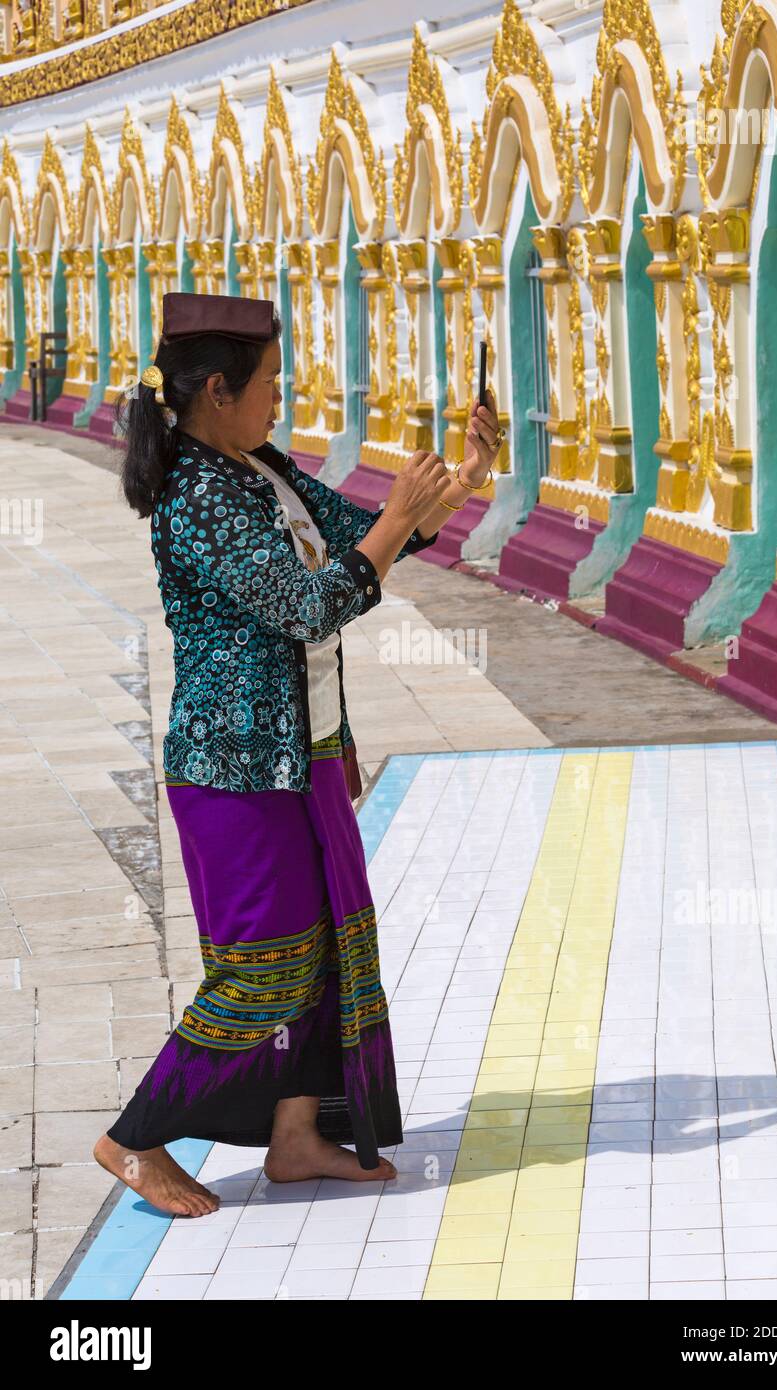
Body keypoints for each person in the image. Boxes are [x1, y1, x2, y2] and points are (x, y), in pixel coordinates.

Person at [92, 290, 504, 1217]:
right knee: (261, 966)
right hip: (233, 770)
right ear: (215, 391)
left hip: (303, 753)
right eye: (270, 383)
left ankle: (296, 1136)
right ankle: (133, 1140)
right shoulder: (196, 493)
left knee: (324, 954)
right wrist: (397, 523)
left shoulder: (261, 467)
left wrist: (465, 477)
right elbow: (309, 604)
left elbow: (366, 534)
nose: (281, 397)